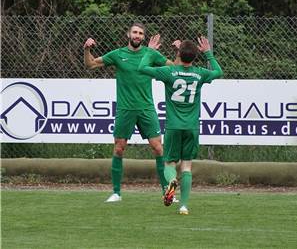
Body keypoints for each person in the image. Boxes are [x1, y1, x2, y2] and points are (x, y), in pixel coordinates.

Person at [84, 22, 173, 202]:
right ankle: (116, 193)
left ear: (143, 37)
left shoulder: (150, 54)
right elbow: (91, 65)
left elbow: (174, 68)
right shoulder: (118, 54)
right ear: (128, 34)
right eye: (134, 32)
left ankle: (167, 192)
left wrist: (179, 52)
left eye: (140, 33)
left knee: (158, 148)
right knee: (119, 148)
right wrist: (86, 49)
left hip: (147, 108)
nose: (137, 35)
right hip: (125, 109)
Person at [138, 36, 223, 215]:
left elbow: (142, 68)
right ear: (194, 57)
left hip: (173, 127)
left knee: (169, 163)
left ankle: (170, 182)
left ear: (178, 54)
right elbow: (218, 71)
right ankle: (183, 206)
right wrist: (208, 52)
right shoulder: (200, 73)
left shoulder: (169, 72)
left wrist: (150, 50)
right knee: (187, 166)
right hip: (191, 127)